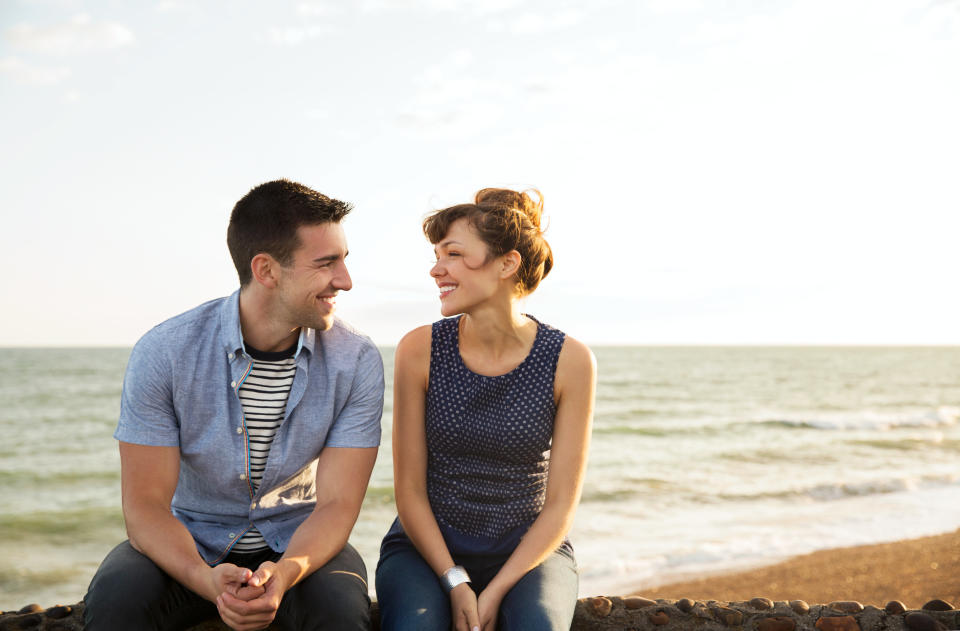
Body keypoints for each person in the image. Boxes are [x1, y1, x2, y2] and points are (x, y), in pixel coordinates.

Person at [84, 179, 384, 631]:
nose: (345, 280)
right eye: (327, 264)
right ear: (266, 270)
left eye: (343, 260)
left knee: (340, 610)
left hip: (298, 544)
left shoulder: (356, 359)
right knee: (115, 601)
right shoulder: (165, 351)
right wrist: (203, 580)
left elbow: (337, 505)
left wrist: (283, 575)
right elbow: (145, 506)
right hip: (188, 546)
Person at [375, 188, 597, 631]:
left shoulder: (570, 360)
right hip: (425, 550)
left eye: (453, 254)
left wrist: (495, 590)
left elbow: (559, 507)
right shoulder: (418, 349)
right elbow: (410, 492)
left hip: (530, 553)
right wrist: (455, 580)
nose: (436, 269)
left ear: (507, 264)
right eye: (437, 255)